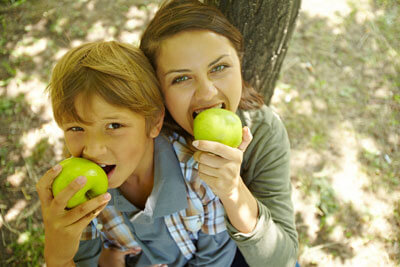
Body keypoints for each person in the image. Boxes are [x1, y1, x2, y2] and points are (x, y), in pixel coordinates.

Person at [36, 40, 237, 267]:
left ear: (154, 122)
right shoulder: (75, 194)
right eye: (76, 128)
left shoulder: (200, 176)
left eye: (113, 126)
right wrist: (59, 256)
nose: (92, 149)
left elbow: (217, 260)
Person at [140, 0, 299, 266]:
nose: (207, 93)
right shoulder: (151, 138)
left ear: (239, 62)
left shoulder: (263, 131)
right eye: (181, 78)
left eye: (219, 67)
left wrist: (233, 190)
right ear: (158, 89)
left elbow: (282, 259)